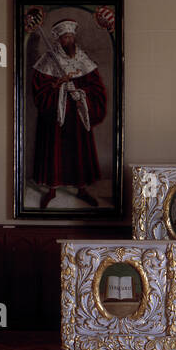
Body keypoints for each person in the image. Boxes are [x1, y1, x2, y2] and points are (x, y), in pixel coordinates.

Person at [30, 19, 107, 209]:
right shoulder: (48, 60)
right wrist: (58, 85)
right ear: (59, 40)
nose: (69, 40)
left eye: (71, 36)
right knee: (54, 149)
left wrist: (82, 94)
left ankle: (81, 189)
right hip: (55, 116)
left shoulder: (83, 59)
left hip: (78, 114)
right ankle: (52, 190)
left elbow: (96, 87)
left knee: (78, 150)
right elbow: (39, 90)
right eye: (65, 37)